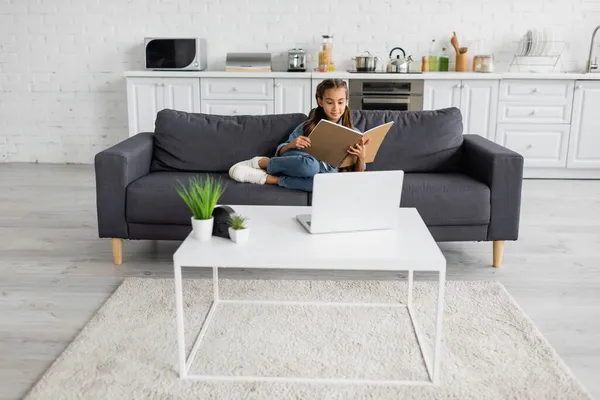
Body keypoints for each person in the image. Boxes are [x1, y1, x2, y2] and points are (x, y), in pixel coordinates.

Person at [228, 79, 371, 192]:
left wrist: (361, 157)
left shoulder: (355, 134)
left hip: (323, 174)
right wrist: (292, 144)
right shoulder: (308, 126)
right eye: (329, 102)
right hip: (300, 162)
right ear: (320, 101)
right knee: (311, 166)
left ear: (346, 101)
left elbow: (355, 177)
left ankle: (268, 178)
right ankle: (261, 162)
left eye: (340, 102)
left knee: (328, 183)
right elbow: (282, 151)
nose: (335, 108)